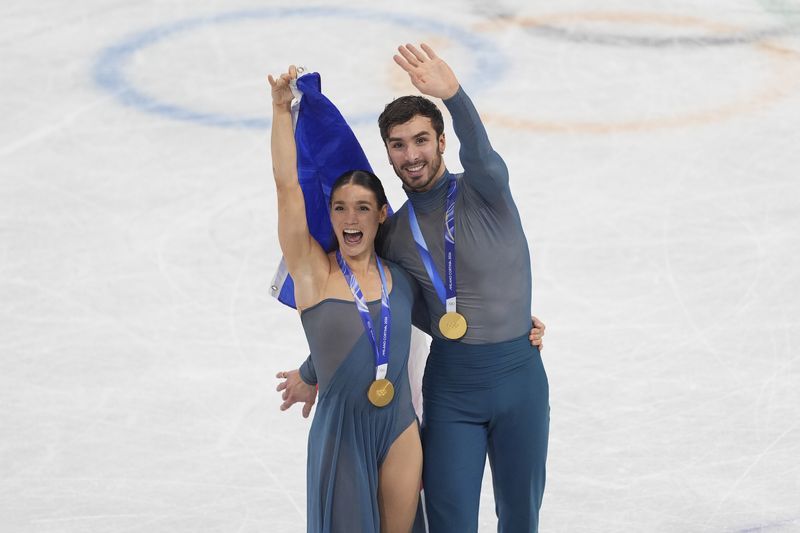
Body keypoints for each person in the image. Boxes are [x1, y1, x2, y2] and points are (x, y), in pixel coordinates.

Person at [277, 43, 549, 532]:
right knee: (448, 522)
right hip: (452, 391)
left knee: (521, 517)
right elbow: (371, 313)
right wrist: (313, 369)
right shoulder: (395, 236)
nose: (411, 155)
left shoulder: (484, 190)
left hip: (520, 378)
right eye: (398, 145)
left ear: (441, 142)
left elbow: (482, 152)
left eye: (421, 140)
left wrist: (455, 96)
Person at [268, 65, 424, 533]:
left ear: (380, 215)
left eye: (361, 208)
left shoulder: (403, 278)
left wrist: (522, 324)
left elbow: (451, 318)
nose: (349, 219)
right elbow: (288, 188)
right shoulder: (313, 274)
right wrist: (280, 111)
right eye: (339, 208)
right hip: (341, 434)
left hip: (399, 427)